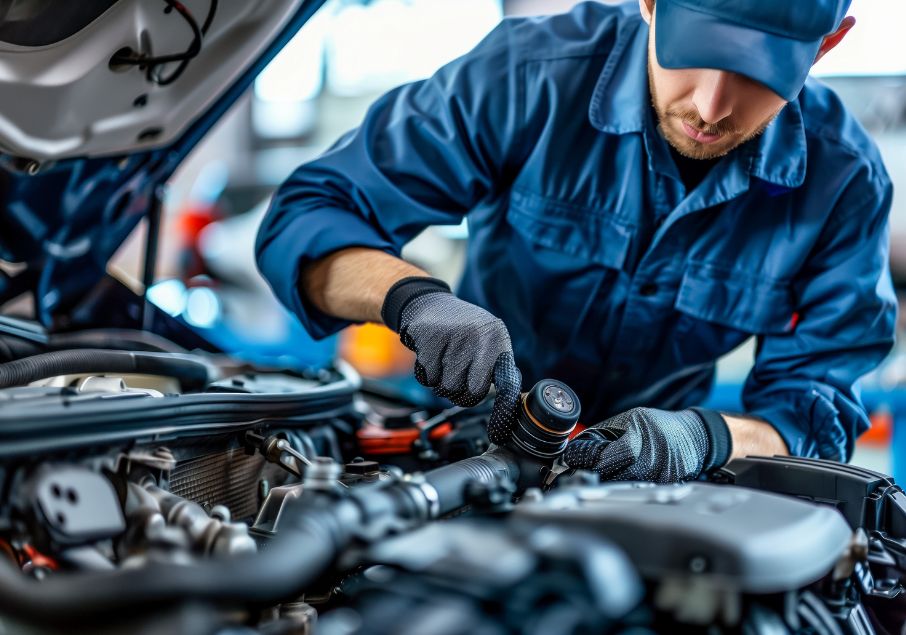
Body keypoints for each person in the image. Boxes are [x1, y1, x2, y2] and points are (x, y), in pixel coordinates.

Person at [256, 0, 896, 483]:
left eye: (759, 72)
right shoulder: (527, 76)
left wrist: (703, 440)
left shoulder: (844, 182)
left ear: (826, 45)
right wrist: (412, 300)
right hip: (458, 448)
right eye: (693, 53)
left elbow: (813, 414)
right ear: (649, 1)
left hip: (661, 487)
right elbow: (311, 217)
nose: (710, 106)